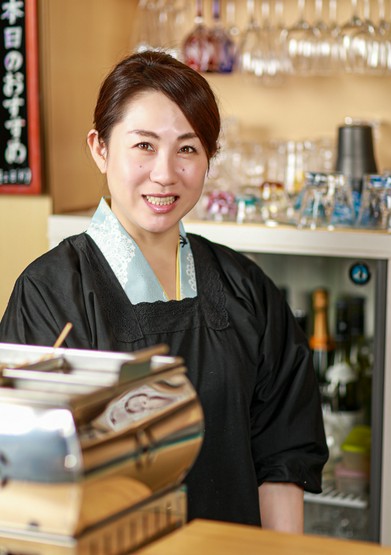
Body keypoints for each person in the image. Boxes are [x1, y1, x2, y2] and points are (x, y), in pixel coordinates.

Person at [0, 50, 328, 532]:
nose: (165, 173)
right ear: (100, 148)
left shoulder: (245, 287)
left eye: (188, 149)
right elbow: (28, 484)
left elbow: (282, 457)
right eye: (144, 146)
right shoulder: (51, 293)